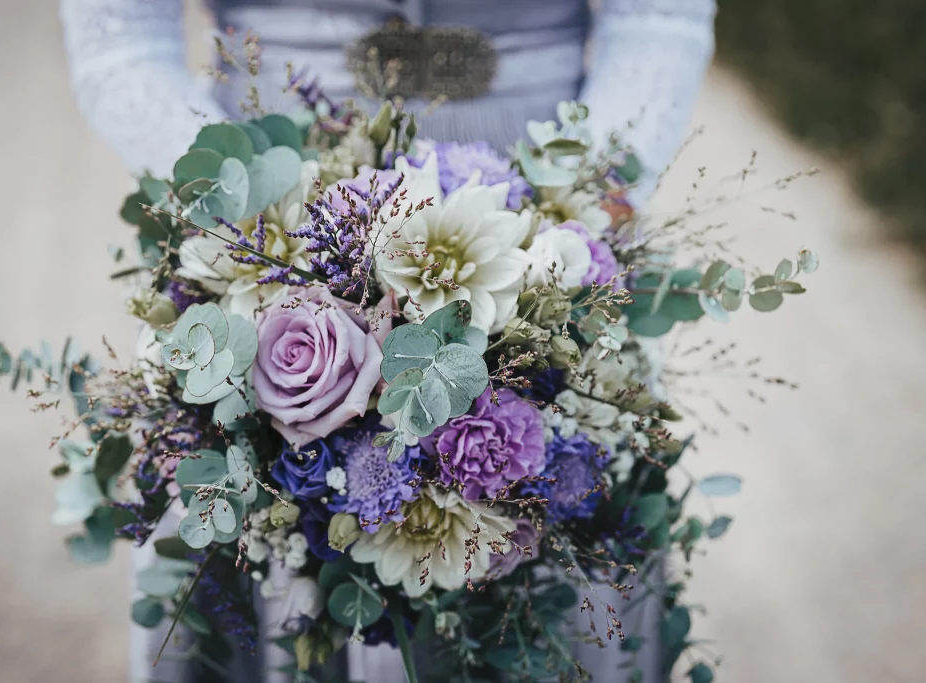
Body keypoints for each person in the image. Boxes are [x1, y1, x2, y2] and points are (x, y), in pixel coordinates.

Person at [59, 1, 716, 680]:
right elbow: (121, 32)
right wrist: (245, 208)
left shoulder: (560, 235)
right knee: (242, 514)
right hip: (267, 221)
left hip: (544, 214)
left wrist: (583, 207)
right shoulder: (257, 227)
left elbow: (658, 17)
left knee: (568, 501)